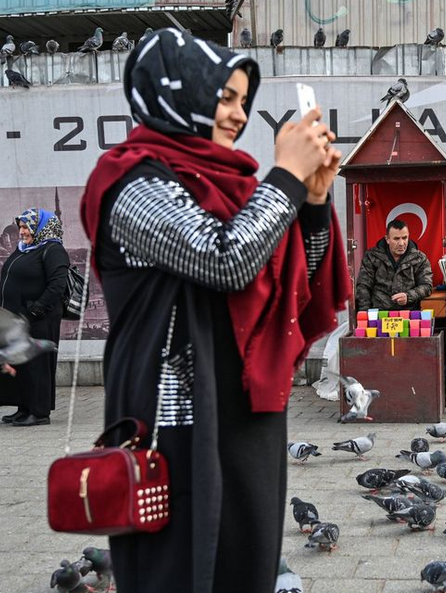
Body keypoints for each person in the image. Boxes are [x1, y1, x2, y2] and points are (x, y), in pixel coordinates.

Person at [79, 30, 350, 593]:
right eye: (223, 96)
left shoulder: (234, 181)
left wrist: (315, 198)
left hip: (245, 410)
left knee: (246, 564)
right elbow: (224, 258)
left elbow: (288, 282)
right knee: (181, 566)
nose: (236, 113)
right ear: (177, 94)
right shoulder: (130, 182)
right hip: (174, 416)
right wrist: (285, 178)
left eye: (240, 99)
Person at [0, 208, 69, 426]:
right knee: (22, 364)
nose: (22, 232)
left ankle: (39, 412)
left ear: (41, 228)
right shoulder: (25, 249)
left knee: (37, 364)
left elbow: (57, 285)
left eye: (26, 227)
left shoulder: (53, 250)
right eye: (21, 227)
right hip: (17, 319)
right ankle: (24, 408)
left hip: (39, 318)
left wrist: (35, 311)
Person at [355, 219, 433, 311]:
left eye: (404, 238)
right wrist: (365, 315)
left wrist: (408, 296)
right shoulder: (372, 257)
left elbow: (427, 286)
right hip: (379, 313)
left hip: (409, 313)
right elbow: (363, 286)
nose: (401, 243)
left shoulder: (419, 258)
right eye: (396, 239)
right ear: (387, 239)